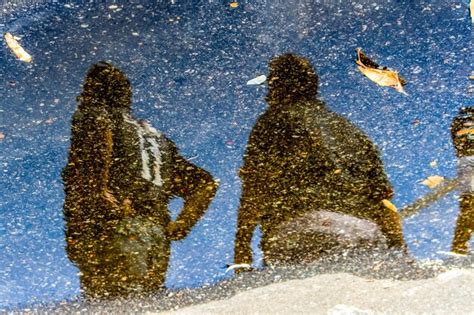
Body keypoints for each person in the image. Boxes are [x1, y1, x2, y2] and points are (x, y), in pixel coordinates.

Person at [234, 54, 407, 267]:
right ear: (311, 85)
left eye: (272, 81)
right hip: (363, 233)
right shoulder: (348, 129)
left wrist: (241, 251)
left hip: (298, 235)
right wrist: (399, 254)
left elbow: (255, 187)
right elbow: (382, 195)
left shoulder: (272, 122)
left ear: (277, 85)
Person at [62, 62, 218, 298]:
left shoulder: (94, 115)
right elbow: (204, 183)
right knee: (147, 304)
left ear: (94, 91)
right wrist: (178, 227)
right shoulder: (154, 137)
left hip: (114, 232)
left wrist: (84, 219)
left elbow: (87, 174)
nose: (80, 97)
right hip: (156, 236)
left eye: (86, 90)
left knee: (111, 305)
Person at [450, 106, 473, 255]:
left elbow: (457, 139)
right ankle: (459, 246)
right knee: (469, 203)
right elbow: (458, 138)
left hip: (465, 160)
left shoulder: (460, 120)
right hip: (467, 160)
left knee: (469, 204)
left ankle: (460, 245)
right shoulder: (462, 120)